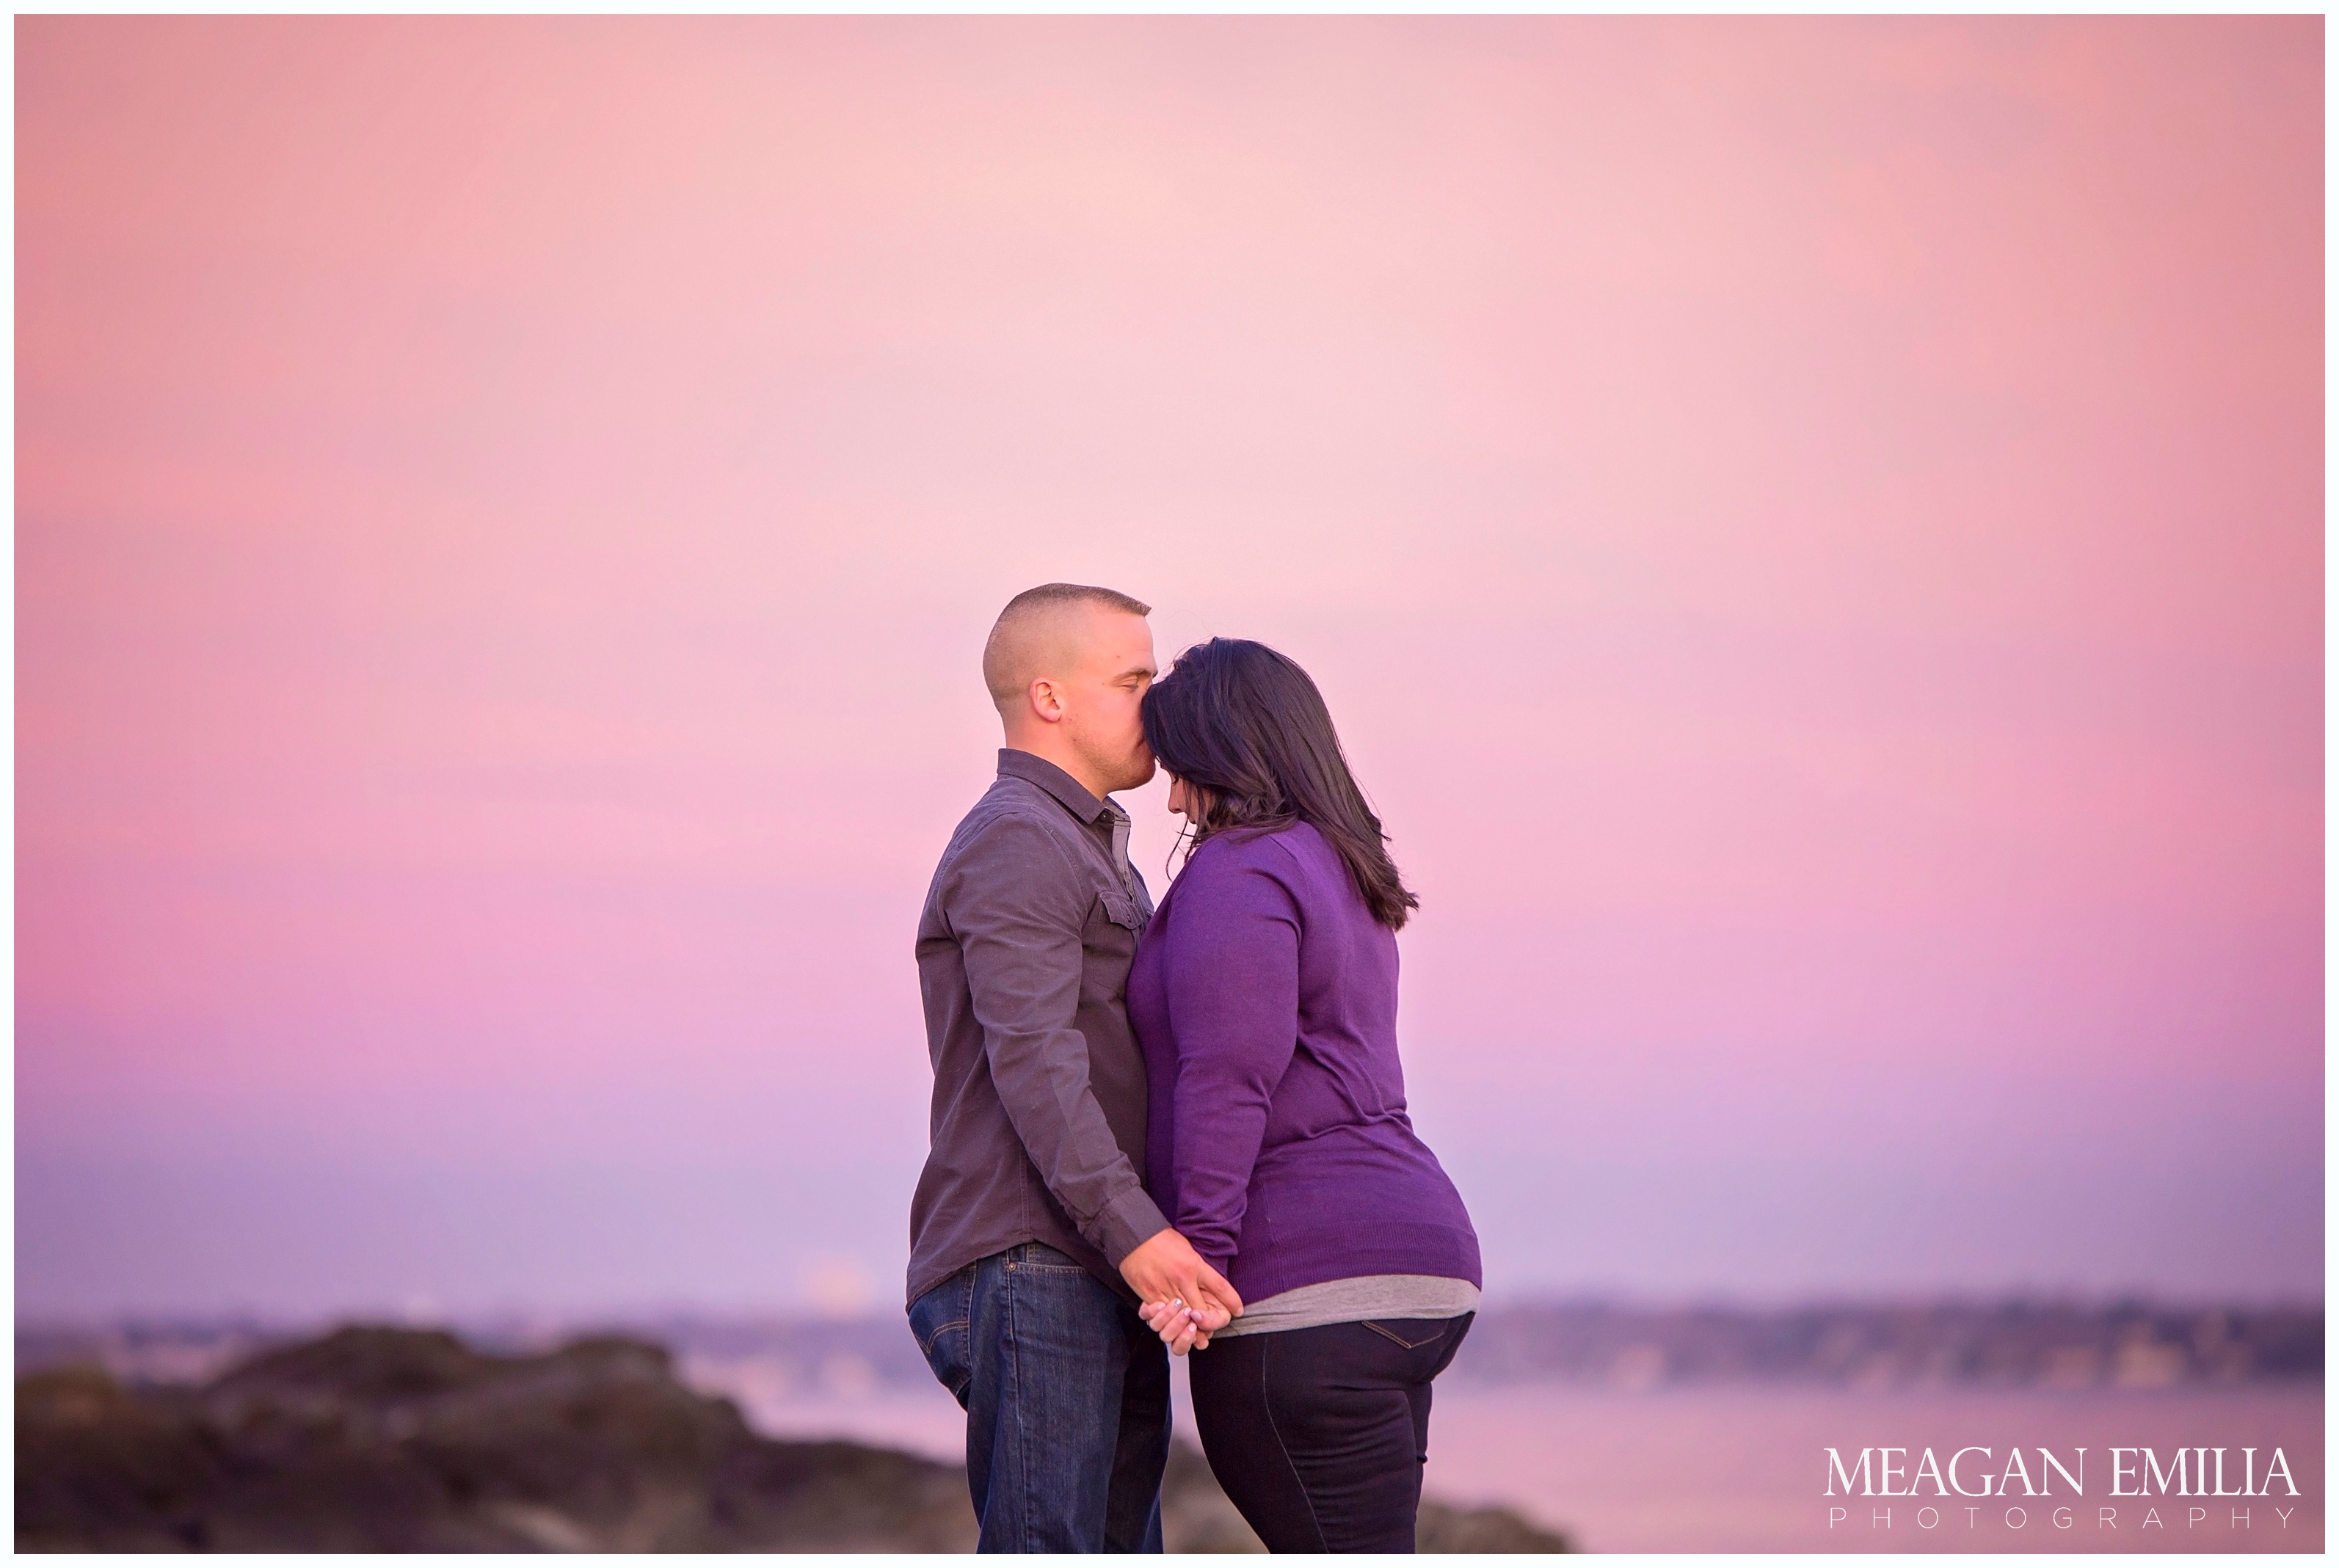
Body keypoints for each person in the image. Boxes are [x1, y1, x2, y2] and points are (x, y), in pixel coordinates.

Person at [906, 583, 1244, 1553]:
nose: (1160, 705)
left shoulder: (1092, 847)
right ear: (1049, 698)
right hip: (1030, 1259)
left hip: (1085, 1257)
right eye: (1134, 680)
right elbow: (1037, 1062)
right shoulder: (1020, 837)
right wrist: (1137, 1234)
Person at [1126, 636, 1483, 1554]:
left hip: (1305, 1289)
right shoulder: (1343, 867)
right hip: (1417, 1270)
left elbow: (1229, 1072)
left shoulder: (1240, 871)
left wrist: (1200, 1261)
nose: (1172, 798)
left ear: (1226, 754)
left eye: (1181, 769)